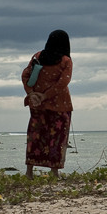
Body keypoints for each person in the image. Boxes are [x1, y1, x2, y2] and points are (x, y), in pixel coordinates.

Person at [21, 29, 74, 178]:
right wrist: (45, 96)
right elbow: (63, 82)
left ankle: (29, 172)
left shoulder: (37, 56)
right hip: (60, 104)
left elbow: (25, 75)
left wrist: (32, 94)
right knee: (57, 138)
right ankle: (54, 173)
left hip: (37, 104)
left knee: (35, 136)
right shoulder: (66, 61)